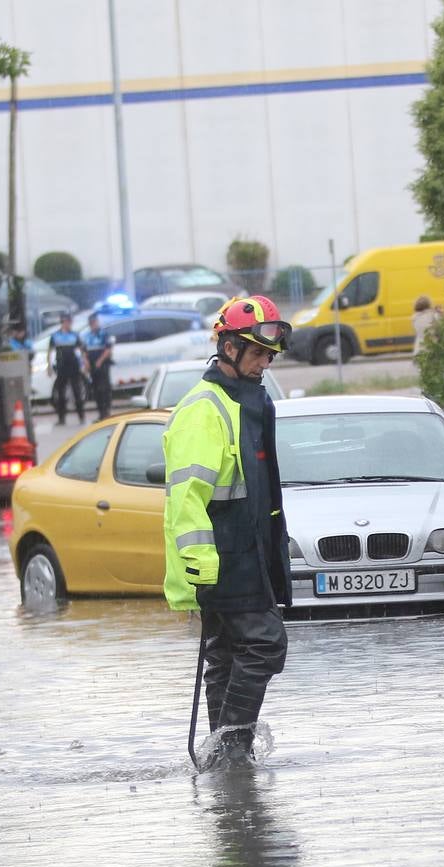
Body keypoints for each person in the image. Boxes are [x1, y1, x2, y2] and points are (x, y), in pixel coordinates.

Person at [162, 296, 293, 770]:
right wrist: (200, 565)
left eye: (269, 356)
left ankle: (225, 761)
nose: (264, 364)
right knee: (265, 643)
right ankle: (232, 747)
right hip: (221, 559)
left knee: (228, 653)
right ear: (229, 347)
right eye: (257, 354)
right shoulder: (204, 408)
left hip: (250, 553)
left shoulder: (251, 400)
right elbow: (186, 496)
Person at [47, 312, 86, 425]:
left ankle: (81, 416)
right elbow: (49, 352)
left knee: (77, 392)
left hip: (73, 366)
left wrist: (84, 363)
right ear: (63, 322)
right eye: (67, 322)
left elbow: (82, 350)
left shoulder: (75, 335)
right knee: (60, 393)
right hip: (61, 366)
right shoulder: (55, 336)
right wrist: (49, 366)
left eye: (70, 322)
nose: (69, 324)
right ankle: (61, 418)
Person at [83, 312, 115, 420]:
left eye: (95, 322)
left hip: (103, 365)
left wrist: (100, 361)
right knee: (96, 389)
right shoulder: (87, 336)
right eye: (91, 323)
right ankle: (101, 412)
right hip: (93, 366)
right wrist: (86, 362)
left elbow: (108, 349)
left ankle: (106, 411)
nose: (94, 325)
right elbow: (84, 351)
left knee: (104, 388)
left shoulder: (104, 334)